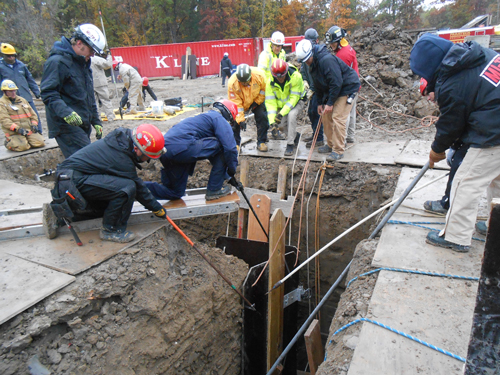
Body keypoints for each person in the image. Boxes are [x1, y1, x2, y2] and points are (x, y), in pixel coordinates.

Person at [409, 33, 500, 252]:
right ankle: (494, 226)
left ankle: (456, 236)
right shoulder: (476, 55)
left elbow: (451, 125)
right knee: (496, 179)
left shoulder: (452, 83)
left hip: (493, 131)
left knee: (465, 183)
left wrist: (437, 150)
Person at [43, 124, 168, 243]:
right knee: (127, 189)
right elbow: (139, 188)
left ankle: (58, 216)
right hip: (71, 183)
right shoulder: (121, 158)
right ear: (136, 149)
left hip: (73, 179)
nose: (148, 160)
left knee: (111, 206)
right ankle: (111, 230)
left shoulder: (122, 143)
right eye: (147, 156)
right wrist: (156, 208)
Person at [145, 100, 238, 201]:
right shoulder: (218, 118)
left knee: (175, 192)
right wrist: (232, 170)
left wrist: (228, 177)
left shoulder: (203, 118)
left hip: (166, 150)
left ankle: (139, 187)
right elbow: (230, 149)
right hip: (182, 147)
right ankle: (214, 190)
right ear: (229, 115)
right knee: (222, 145)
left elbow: (215, 157)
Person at [41, 23, 105, 158]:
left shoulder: (83, 64)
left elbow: (88, 95)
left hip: (82, 123)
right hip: (65, 126)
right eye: (91, 50)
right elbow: (48, 93)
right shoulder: (57, 62)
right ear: (79, 43)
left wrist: (96, 121)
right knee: (87, 161)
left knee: (82, 161)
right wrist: (67, 113)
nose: (93, 55)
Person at [295, 39, 360, 161]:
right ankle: (330, 145)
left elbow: (336, 83)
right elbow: (318, 85)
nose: (306, 63)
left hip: (346, 87)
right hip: (334, 89)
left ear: (311, 55)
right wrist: (320, 103)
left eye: (307, 60)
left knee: (338, 117)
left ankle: (338, 150)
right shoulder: (312, 65)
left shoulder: (326, 60)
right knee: (325, 116)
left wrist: (330, 103)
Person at [419, 78, 470, 216]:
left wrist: (437, 149)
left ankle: (447, 204)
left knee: (459, 168)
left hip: (486, 133)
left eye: (428, 94)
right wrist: (455, 145)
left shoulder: (450, 94)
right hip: (485, 128)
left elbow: (449, 127)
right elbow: (460, 123)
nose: (428, 99)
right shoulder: (456, 88)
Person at [325, 26, 360, 144]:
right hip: (354, 85)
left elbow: (338, 77)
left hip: (348, 87)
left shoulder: (342, 55)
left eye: (333, 43)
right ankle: (350, 136)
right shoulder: (348, 48)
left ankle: (343, 139)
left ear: (339, 40)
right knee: (351, 112)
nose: (331, 46)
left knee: (344, 114)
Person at [0, 43, 43, 133]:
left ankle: (38, 132)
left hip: (25, 96)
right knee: (14, 118)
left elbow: (30, 79)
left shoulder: (21, 65)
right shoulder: (1, 67)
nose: (11, 58)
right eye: (8, 56)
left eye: (13, 55)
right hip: (9, 99)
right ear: (3, 56)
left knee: (33, 114)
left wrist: (37, 92)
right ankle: (19, 136)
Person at [266, 59, 305, 156]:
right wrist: (272, 122)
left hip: (298, 101)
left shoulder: (296, 76)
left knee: (291, 116)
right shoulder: (270, 82)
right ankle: (295, 137)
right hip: (283, 105)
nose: (280, 79)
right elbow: (270, 103)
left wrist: (281, 114)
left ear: (286, 72)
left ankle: (290, 144)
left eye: (282, 76)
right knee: (281, 126)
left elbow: (293, 98)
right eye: (277, 77)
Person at [228, 64, 269, 151]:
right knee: (234, 120)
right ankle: (236, 144)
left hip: (256, 99)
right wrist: (241, 120)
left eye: (246, 82)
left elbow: (264, 91)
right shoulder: (232, 83)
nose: (244, 84)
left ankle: (261, 141)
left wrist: (257, 102)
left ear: (251, 76)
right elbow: (236, 104)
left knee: (262, 117)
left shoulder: (260, 76)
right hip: (241, 102)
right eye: (242, 83)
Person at [0, 79, 45, 151]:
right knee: (22, 147)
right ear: (4, 91)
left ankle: (27, 141)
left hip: (28, 131)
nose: (13, 93)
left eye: (14, 90)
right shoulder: (2, 103)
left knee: (40, 143)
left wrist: (34, 124)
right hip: (14, 133)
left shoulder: (22, 100)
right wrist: (18, 129)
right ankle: (9, 143)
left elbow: (33, 115)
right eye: (10, 91)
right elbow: (4, 120)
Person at [300, 28, 323, 148]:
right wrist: (304, 80)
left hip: (318, 88)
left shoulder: (318, 55)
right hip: (311, 87)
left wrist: (313, 89)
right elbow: (303, 69)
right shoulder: (305, 50)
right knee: (311, 112)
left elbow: (317, 75)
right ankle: (315, 134)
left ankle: (319, 138)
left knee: (316, 112)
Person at [90, 53, 115, 121]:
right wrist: (109, 56)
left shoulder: (83, 59)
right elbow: (107, 64)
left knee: (94, 103)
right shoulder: (95, 58)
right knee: (106, 100)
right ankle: (110, 117)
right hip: (100, 83)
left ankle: (97, 119)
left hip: (90, 83)